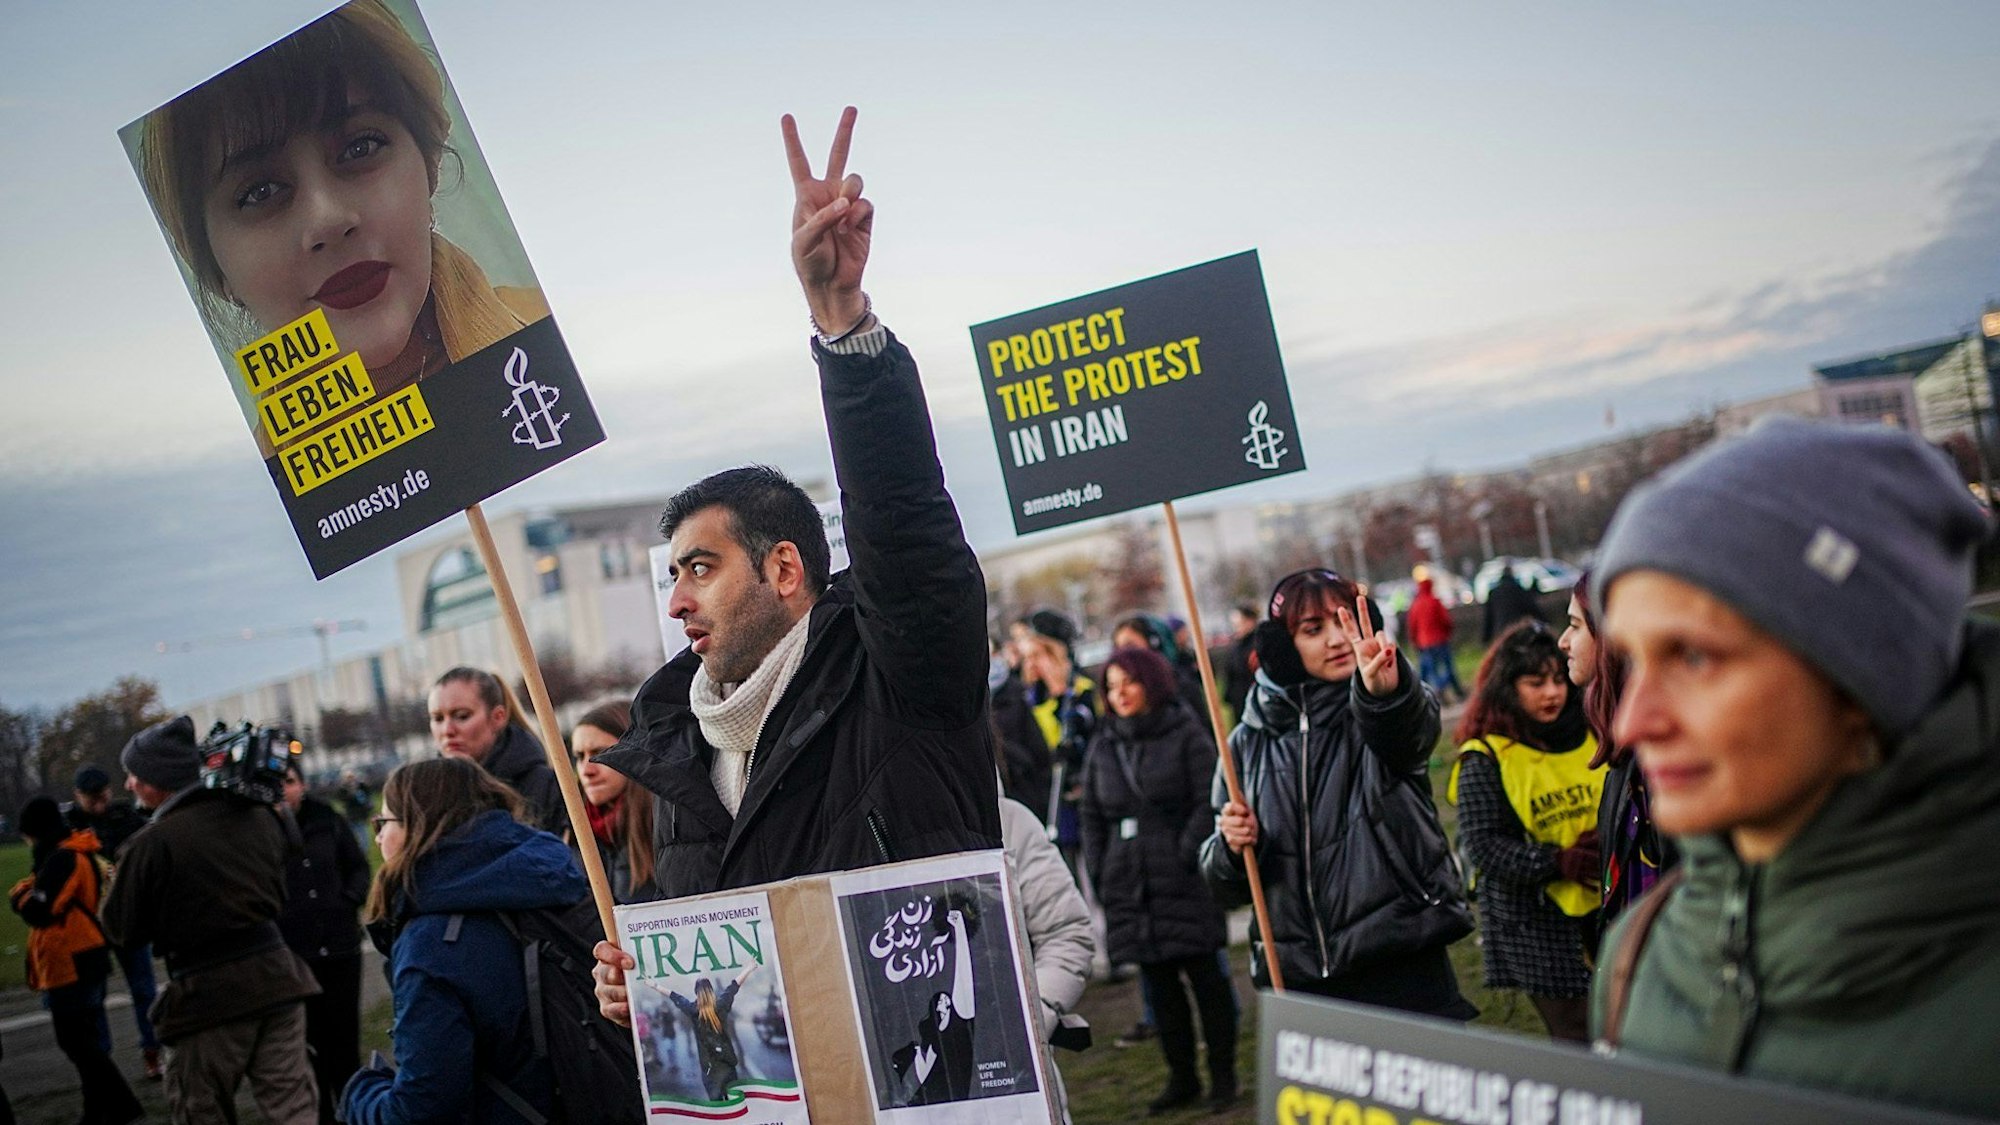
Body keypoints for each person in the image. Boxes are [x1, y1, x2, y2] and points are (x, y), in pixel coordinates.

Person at [591, 107, 1002, 1026]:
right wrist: (642, 993)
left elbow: (906, 528)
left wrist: (841, 325)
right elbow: (715, 994)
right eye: (671, 577)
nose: (677, 602)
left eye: (699, 567)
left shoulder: (900, 679)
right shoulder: (671, 755)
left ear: (785, 569)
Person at [1589, 418, 2000, 1118]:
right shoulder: (1639, 954)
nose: (1632, 722)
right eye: (1631, 660)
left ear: (1862, 673)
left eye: (1694, 656)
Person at [133, 0, 547, 434]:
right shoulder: (264, 484)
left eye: (360, 148)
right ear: (218, 272)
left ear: (428, 168)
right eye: (260, 192)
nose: (328, 219)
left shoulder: (552, 339)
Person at [1202, 569, 1476, 1019]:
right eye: (1313, 629)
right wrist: (1231, 848)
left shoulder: (1379, 706)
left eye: (1343, 621)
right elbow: (1223, 886)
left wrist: (1386, 694)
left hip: (1403, 967)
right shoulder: (1245, 742)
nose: (1334, 640)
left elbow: (1409, 733)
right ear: (1283, 646)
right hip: (1304, 984)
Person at [101, 716, 321, 1125]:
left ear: (158, 777)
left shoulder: (151, 843)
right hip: (277, 979)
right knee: (293, 1108)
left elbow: (120, 929)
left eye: (135, 774)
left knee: (200, 1109)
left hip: (207, 996)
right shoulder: (258, 816)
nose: (129, 784)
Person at [343, 757, 588, 1125]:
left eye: (385, 821)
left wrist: (359, 1095)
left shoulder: (431, 945)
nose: (378, 836)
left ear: (419, 827)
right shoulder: (544, 878)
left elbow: (421, 1110)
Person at [1081, 647, 1237, 1114]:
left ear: (1151, 682)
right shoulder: (1104, 744)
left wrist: (1184, 851)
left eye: (1127, 682)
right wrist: (1102, 866)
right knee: (1161, 991)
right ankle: (1182, 1078)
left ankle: (1224, 1078)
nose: (1119, 693)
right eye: (1111, 686)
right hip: (1130, 885)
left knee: (1207, 983)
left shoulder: (1186, 734)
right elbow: (1091, 812)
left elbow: (1210, 798)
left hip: (1184, 880)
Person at [1448, 621, 1602, 1042]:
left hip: (1607, 905)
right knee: (1576, 1033)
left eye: (1558, 679)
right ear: (1507, 687)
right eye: (1536, 683)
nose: (1553, 693)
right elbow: (1483, 847)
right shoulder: (1484, 755)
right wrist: (1557, 860)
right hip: (1535, 923)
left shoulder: (1594, 731)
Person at [9, 797, 144, 1125]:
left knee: (76, 1041)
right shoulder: (75, 852)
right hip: (87, 954)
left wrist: (21, 895)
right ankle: (99, 1109)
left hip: (72, 958)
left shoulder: (61, 859)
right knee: (86, 1040)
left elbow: (38, 909)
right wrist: (29, 891)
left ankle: (120, 1104)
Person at [1559, 573, 1674, 924]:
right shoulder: (1625, 759)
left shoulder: (1660, 762)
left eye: (1575, 626)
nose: (1563, 641)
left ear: (1610, 638)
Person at [277, 762, 370, 1125]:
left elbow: (358, 866)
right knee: (310, 1048)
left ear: (301, 784)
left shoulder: (327, 820)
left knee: (345, 1044)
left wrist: (348, 900)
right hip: (295, 955)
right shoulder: (262, 830)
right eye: (277, 784)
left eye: (290, 781)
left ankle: (354, 1112)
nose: (284, 790)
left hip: (341, 947)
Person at [997, 792, 1092, 1125]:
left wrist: (1032, 1018)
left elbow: (1066, 931)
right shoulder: (839, 828)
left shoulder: (1005, 819)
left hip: (1016, 1085)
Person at [64, 765, 161, 1081]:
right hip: (92, 921)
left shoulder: (123, 816)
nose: (99, 802)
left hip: (127, 913)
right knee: (95, 997)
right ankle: (104, 1062)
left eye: (102, 794)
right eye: (93, 798)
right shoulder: (71, 826)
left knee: (143, 988)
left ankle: (152, 1051)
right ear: (79, 797)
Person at [428, 666, 565, 835]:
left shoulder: (544, 786)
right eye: (437, 718)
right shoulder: (428, 796)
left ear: (498, 717)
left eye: (462, 716)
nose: (447, 730)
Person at [1020, 610, 1098, 862]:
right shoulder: (1028, 699)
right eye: (1029, 657)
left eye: (1039, 655)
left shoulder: (1082, 692)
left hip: (1084, 795)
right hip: (1050, 801)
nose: (1032, 664)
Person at [570, 700, 661, 903]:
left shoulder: (667, 823)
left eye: (600, 753)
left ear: (634, 751)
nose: (586, 770)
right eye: (579, 756)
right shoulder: (573, 833)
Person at [667, 965, 759, 1103]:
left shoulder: (693, 1010)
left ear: (696, 993)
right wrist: (749, 968)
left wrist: (654, 985)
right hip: (727, 1065)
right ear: (711, 990)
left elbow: (675, 997)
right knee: (735, 1105)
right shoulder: (720, 1004)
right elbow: (734, 986)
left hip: (709, 1070)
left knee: (718, 1108)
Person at [1112, 614, 1210, 722]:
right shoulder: (1116, 697)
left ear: (1153, 645)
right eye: (1118, 648)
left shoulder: (1180, 686)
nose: (1124, 654)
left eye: (1130, 646)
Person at [1408, 575, 1465, 703]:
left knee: (1431, 670)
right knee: (1448, 667)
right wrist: (1448, 632)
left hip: (1424, 643)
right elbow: (1446, 620)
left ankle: (1437, 690)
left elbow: (1412, 625)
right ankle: (1449, 689)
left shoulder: (1416, 605)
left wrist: (1415, 641)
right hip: (1440, 640)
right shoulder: (1435, 602)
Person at [1481, 564, 1544, 643]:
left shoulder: (1494, 593)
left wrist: (1485, 638)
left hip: (1500, 631)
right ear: (1512, 574)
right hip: (1517, 630)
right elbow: (1532, 608)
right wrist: (1544, 622)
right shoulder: (1518, 590)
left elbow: (1489, 617)